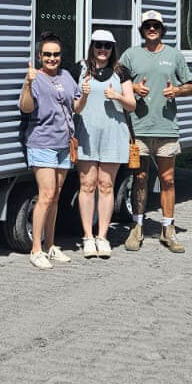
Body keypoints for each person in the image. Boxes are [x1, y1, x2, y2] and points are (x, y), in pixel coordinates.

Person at [119, 10, 192, 253]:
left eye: (156, 25)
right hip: (138, 128)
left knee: (168, 180)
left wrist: (177, 92)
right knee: (139, 179)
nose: (152, 29)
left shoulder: (174, 55)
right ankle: (137, 228)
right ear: (142, 29)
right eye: (147, 25)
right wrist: (131, 85)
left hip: (166, 128)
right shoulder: (131, 55)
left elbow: (190, 86)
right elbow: (115, 78)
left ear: (162, 29)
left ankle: (167, 230)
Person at [18, 32, 84, 269]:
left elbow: (76, 106)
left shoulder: (66, 76)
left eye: (55, 54)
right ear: (40, 56)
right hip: (41, 142)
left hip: (64, 144)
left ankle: (51, 246)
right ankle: (36, 249)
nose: (52, 58)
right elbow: (25, 108)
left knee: (55, 196)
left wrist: (84, 94)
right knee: (45, 195)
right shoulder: (35, 78)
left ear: (61, 56)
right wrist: (27, 83)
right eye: (47, 54)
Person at [74, 29, 136, 258]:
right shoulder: (79, 69)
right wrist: (84, 95)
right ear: (91, 46)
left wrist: (118, 96)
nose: (102, 50)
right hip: (87, 135)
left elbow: (132, 105)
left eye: (107, 46)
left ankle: (103, 236)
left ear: (113, 49)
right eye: (98, 45)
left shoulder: (121, 72)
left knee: (106, 185)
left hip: (113, 135)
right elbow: (74, 108)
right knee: (87, 184)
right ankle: (88, 237)